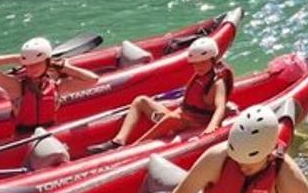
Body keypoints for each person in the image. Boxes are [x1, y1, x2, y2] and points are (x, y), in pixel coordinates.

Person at [148, 105, 308, 193]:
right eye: (236, 159)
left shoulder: (287, 176)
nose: (240, 166)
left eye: (249, 163)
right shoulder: (215, 158)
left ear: (270, 153)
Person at [91, 37, 231, 154]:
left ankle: (135, 148)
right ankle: (118, 141)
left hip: (196, 123)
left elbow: (220, 106)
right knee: (141, 101)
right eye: (195, 64)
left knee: (172, 117)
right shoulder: (200, 76)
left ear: (213, 60)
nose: (198, 67)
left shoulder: (217, 82)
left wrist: (211, 127)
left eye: (203, 62)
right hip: (183, 118)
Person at [0, 37, 100, 132]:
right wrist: (16, 58)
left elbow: (92, 79)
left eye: (36, 64)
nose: (31, 69)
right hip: (22, 138)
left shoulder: (57, 86)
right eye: (27, 65)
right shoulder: (16, 86)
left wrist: (63, 67)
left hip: (48, 133)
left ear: (47, 62)